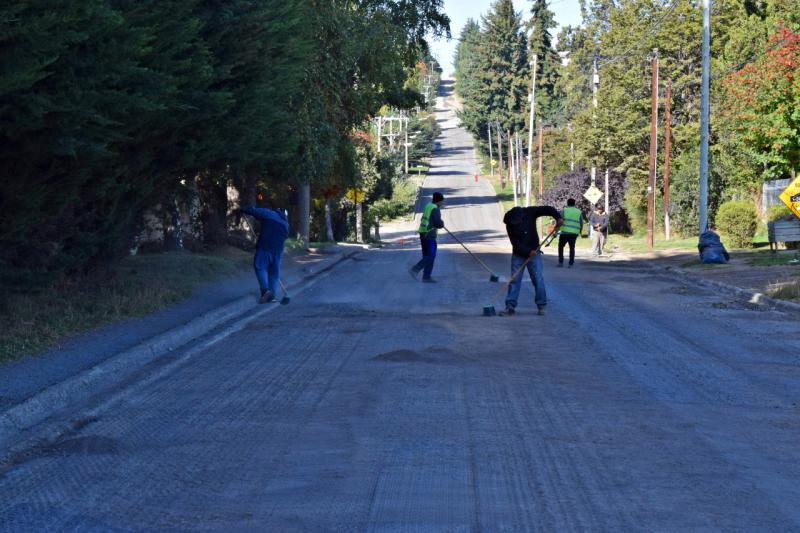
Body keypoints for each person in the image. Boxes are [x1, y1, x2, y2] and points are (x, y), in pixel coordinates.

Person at [502, 205, 563, 316]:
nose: (515, 225)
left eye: (517, 222)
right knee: (514, 280)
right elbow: (515, 244)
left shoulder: (530, 212)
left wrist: (558, 218)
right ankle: (510, 306)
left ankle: (541, 305)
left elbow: (548, 209)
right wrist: (528, 252)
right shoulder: (510, 224)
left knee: (537, 279)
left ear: (521, 217)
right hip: (519, 255)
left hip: (534, 252)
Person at [238, 199, 289, 303]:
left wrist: (244, 209)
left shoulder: (271, 214)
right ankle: (272, 296)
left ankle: (265, 291)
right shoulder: (286, 225)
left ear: (278, 211)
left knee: (260, 267)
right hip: (278, 252)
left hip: (265, 248)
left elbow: (256, 211)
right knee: (274, 274)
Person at [409, 192, 445, 282]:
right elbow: (437, 223)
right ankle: (416, 269)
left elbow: (424, 219)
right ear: (439, 201)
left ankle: (426, 277)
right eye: (442, 202)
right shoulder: (435, 209)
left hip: (423, 234)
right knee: (431, 256)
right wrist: (442, 223)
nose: (442, 204)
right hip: (430, 236)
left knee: (426, 255)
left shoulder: (428, 206)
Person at [558, 198, 583, 268]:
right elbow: (581, 222)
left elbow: (560, 220)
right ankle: (571, 263)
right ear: (574, 204)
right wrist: (580, 231)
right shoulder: (578, 211)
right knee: (572, 248)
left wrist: (556, 230)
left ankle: (561, 262)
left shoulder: (564, 210)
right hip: (574, 233)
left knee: (561, 246)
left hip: (564, 232)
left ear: (567, 203)